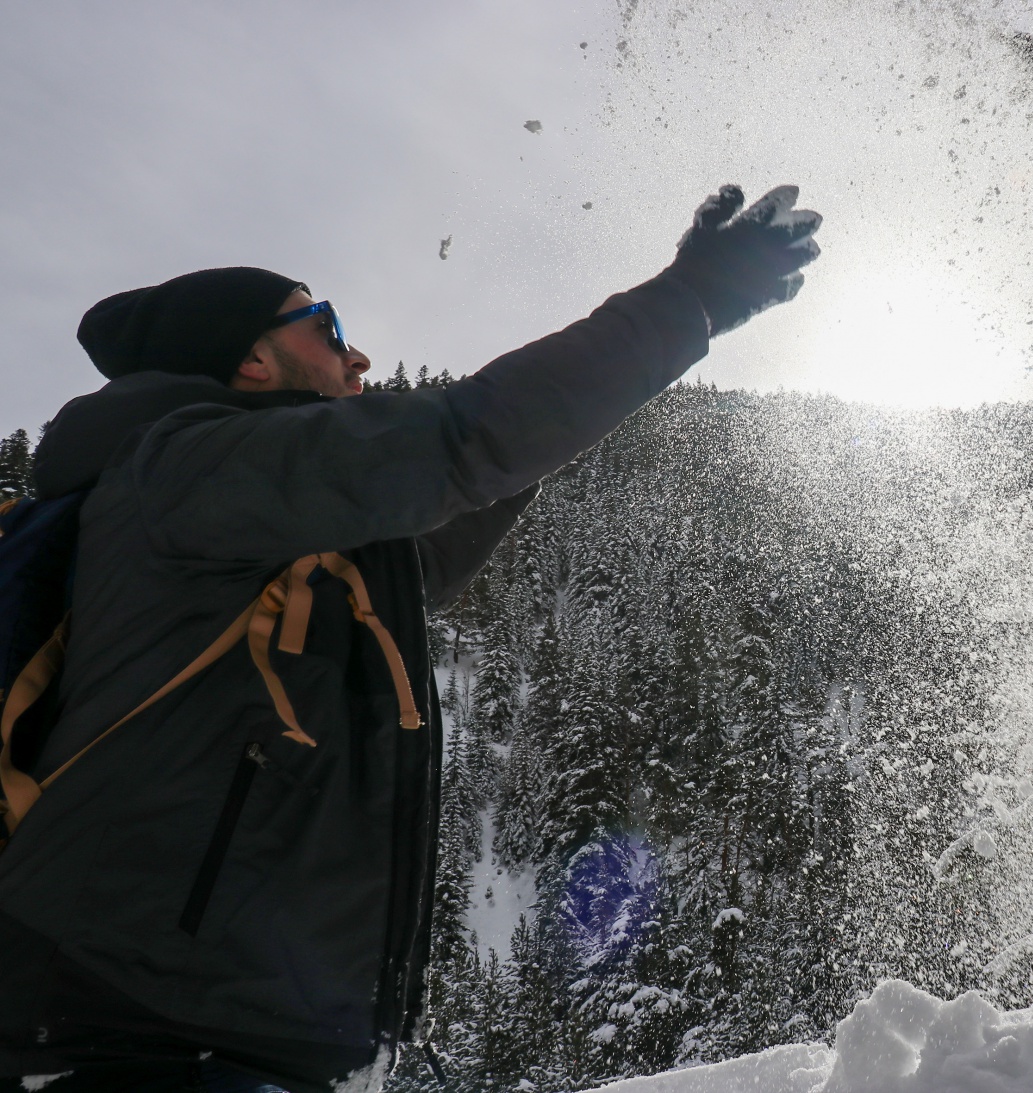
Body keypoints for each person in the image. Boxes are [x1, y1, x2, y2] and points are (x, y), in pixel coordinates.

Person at [0, 184, 820, 1093]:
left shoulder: (278, 526)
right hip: (126, 1023)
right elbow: (458, 443)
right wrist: (690, 300)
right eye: (323, 322)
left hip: (232, 1029)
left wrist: (552, 419)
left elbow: (439, 518)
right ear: (254, 362)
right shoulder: (187, 467)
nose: (355, 351)